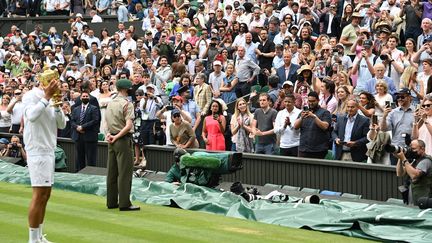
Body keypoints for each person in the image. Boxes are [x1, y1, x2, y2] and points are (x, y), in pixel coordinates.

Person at [23, 76, 66, 243]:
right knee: (39, 194)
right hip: (36, 150)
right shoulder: (30, 96)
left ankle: (39, 236)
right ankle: (32, 240)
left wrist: (56, 105)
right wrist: (47, 97)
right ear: (43, 82)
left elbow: (61, 125)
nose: (55, 83)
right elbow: (32, 116)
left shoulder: (53, 98)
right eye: (51, 80)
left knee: (45, 195)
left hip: (49, 150)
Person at [105, 78, 140, 211]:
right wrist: (117, 136)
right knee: (125, 173)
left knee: (112, 172)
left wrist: (109, 135)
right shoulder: (127, 103)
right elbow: (129, 125)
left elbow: (106, 122)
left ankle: (111, 201)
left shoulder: (111, 102)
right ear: (126, 89)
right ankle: (125, 203)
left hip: (111, 139)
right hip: (122, 139)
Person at [381, 88, 415, 165]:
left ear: (410, 97)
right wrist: (384, 117)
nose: (400, 99)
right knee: (395, 174)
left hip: (411, 149)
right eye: (398, 97)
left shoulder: (416, 112)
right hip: (396, 148)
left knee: (410, 174)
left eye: (402, 97)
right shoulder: (392, 112)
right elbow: (383, 129)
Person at [294, 91, 332, 159]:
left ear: (318, 100)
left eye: (313, 101)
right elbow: (295, 126)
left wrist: (314, 117)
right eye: (309, 101)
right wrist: (301, 118)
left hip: (318, 150)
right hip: (304, 149)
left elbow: (325, 127)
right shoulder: (303, 112)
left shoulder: (325, 112)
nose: (311, 103)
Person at [396, 139, 432, 206]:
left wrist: (404, 159)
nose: (411, 151)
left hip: (424, 201)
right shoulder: (415, 161)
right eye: (410, 149)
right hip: (414, 200)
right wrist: (400, 158)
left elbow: (414, 175)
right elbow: (400, 173)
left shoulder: (426, 161)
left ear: (422, 149)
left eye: (414, 149)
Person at [70, 91, 101, 172]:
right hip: (78, 137)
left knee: (91, 159)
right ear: (80, 98)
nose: (85, 97)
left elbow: (95, 120)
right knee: (80, 159)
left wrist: (82, 127)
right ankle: (80, 174)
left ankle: (91, 175)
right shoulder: (76, 109)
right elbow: (72, 121)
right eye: (83, 96)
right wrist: (77, 127)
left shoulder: (94, 108)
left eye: (86, 96)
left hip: (90, 137)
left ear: (89, 98)